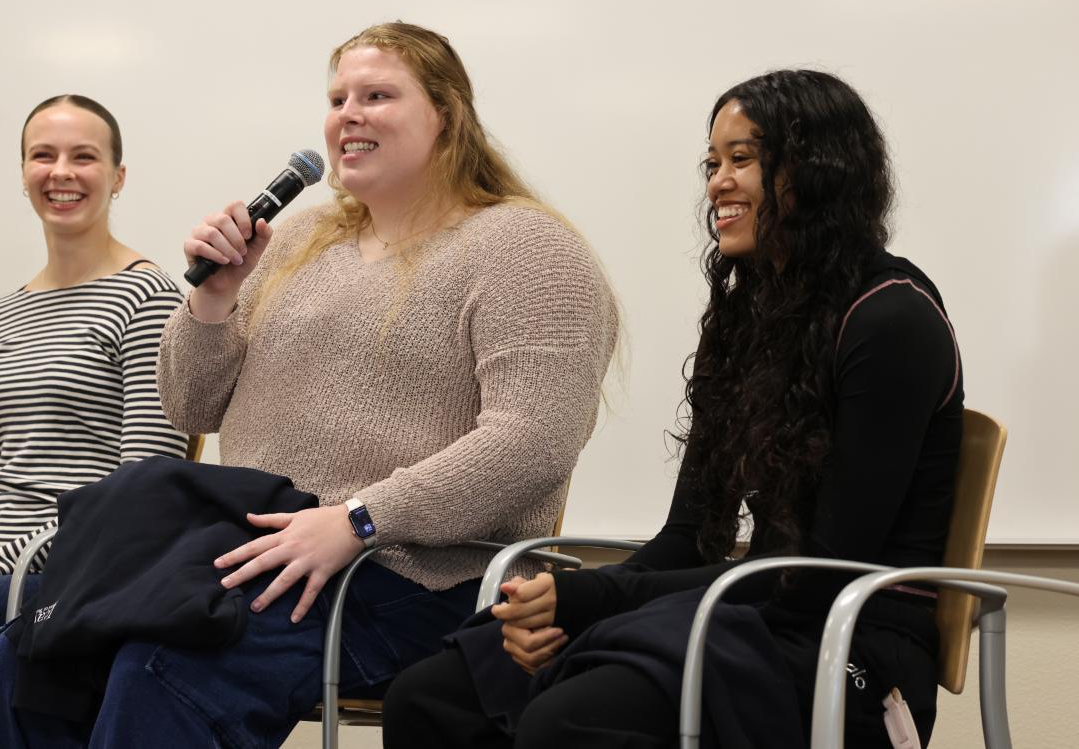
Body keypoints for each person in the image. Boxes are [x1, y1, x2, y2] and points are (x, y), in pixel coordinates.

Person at [0, 22, 618, 747]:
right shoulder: (299, 239)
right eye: (338, 98)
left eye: (377, 96)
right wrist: (214, 299)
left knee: (163, 668)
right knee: (33, 657)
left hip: (414, 573)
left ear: (448, 115)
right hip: (247, 550)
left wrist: (357, 520)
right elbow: (189, 405)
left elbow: (534, 439)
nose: (349, 115)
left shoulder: (525, 247)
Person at [381, 69, 964, 749]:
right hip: (759, 616)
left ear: (818, 171)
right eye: (712, 163)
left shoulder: (891, 321)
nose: (718, 183)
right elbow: (687, 537)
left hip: (853, 650)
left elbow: (817, 573)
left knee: (569, 719)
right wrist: (563, 605)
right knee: (431, 697)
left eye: (742, 159)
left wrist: (591, 599)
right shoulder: (752, 321)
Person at [0, 94, 187, 746]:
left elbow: (140, 489)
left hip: (64, 572)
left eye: (83, 156)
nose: (61, 171)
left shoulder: (149, 298)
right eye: (43, 155)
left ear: (118, 176)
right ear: (23, 172)